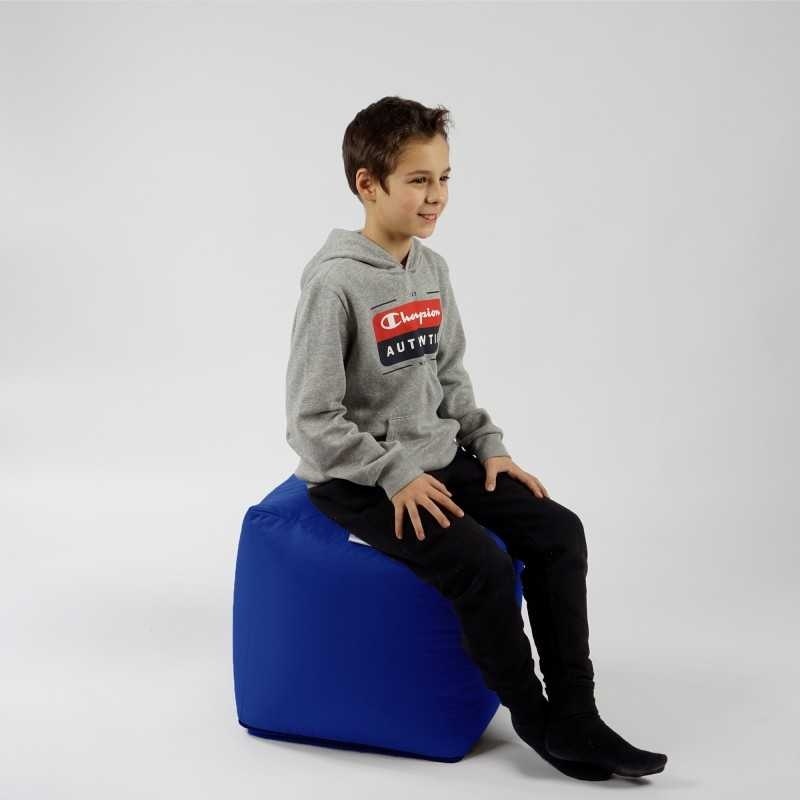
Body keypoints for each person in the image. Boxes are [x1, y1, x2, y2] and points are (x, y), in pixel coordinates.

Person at [284, 95, 667, 781]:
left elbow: (449, 377)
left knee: (559, 532)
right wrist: (393, 473)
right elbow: (311, 418)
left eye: (445, 178)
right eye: (418, 180)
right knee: (482, 565)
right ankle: (538, 721)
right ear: (368, 184)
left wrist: (490, 447)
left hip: (438, 458)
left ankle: (578, 714)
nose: (437, 196)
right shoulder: (334, 282)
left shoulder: (431, 270)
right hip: (359, 479)